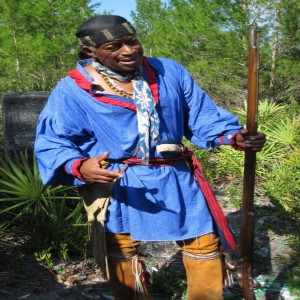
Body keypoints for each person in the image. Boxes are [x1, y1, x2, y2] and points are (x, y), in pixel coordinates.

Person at [34, 15, 266, 300]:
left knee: (204, 246)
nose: (128, 50)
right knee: (122, 253)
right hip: (120, 183)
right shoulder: (74, 90)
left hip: (176, 176)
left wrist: (233, 136)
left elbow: (202, 116)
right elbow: (53, 141)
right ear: (90, 53)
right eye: (115, 46)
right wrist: (81, 166)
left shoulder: (168, 72)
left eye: (132, 41)